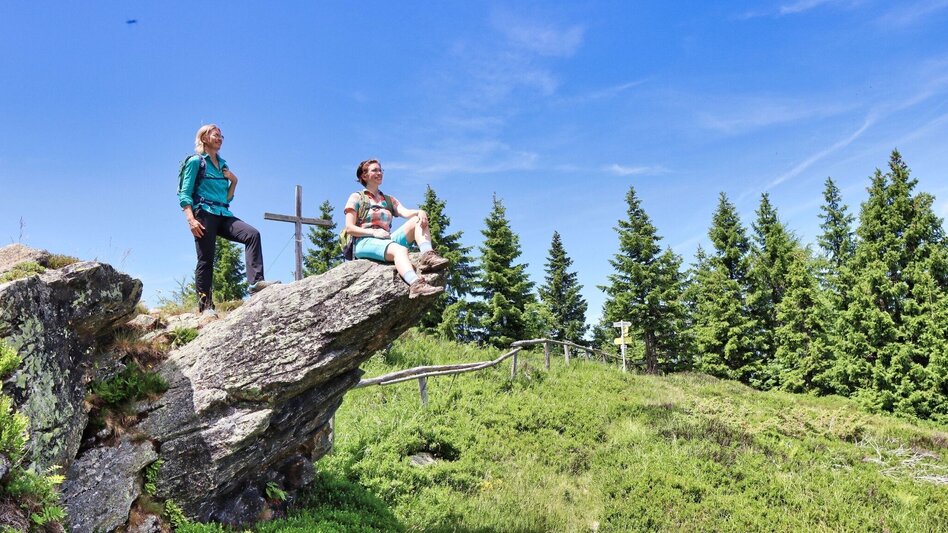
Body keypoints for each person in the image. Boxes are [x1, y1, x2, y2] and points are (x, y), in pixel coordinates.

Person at [179, 124, 277, 316]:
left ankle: (256, 283)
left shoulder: (223, 165)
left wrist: (234, 181)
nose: (220, 139)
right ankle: (206, 306)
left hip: (223, 213)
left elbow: (227, 197)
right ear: (204, 138)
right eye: (216, 135)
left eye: (222, 136)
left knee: (252, 234)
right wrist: (191, 220)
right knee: (206, 259)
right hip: (203, 213)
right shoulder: (195, 162)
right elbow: (185, 193)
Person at [344, 159, 449, 298]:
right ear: (364, 176)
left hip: (386, 239)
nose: (379, 173)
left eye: (381, 170)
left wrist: (420, 212)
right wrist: (374, 232)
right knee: (400, 249)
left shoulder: (388, 200)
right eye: (374, 170)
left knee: (417, 220)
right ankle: (416, 284)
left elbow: (405, 212)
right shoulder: (357, 197)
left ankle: (427, 256)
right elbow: (350, 228)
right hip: (364, 241)